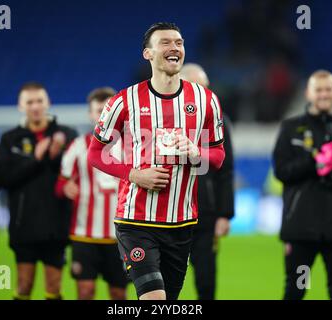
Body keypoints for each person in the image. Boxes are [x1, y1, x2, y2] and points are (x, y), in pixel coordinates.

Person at [87, 22, 226, 300]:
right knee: (154, 299)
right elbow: (95, 153)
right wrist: (134, 175)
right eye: (165, 42)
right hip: (136, 221)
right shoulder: (124, 101)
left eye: (179, 42)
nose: (174, 47)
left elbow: (218, 157)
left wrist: (197, 154)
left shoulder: (206, 100)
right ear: (148, 54)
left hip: (182, 223)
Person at [273, 70, 332, 300]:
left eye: (328, 89)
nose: (324, 94)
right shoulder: (291, 128)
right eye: (319, 89)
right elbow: (281, 172)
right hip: (301, 230)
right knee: (297, 289)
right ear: (308, 93)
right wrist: (314, 161)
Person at [0, 82, 77, 300]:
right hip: (24, 224)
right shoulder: (10, 139)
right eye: (29, 102)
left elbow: (75, 173)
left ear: (48, 103)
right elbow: (3, 179)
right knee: (24, 284)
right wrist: (35, 159)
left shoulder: (67, 135)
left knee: (53, 286)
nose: (35, 106)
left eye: (39, 101)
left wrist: (57, 156)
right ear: (20, 106)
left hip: (56, 223)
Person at [55, 87, 128, 300]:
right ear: (90, 114)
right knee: (85, 292)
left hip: (121, 236)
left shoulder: (133, 147)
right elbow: (60, 184)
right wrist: (65, 188)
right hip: (84, 235)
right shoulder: (78, 146)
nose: (104, 116)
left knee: (118, 294)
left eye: (109, 110)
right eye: (99, 111)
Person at [180, 63, 234, 300]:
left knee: (205, 276)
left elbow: (226, 169)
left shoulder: (219, 121)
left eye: (206, 88)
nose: (204, 94)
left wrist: (224, 214)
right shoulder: (165, 117)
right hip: (170, 213)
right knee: (165, 278)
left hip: (205, 212)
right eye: (197, 87)